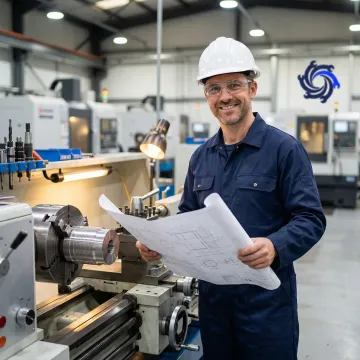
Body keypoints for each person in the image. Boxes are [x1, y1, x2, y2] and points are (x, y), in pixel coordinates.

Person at [136, 37, 326, 360]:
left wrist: (275, 246)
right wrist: (160, 245)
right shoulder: (200, 158)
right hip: (214, 307)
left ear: (252, 89)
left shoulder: (284, 150)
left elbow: (311, 219)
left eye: (234, 85)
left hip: (267, 309)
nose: (224, 97)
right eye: (214, 88)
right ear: (206, 96)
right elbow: (188, 221)